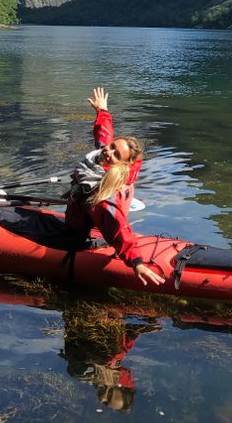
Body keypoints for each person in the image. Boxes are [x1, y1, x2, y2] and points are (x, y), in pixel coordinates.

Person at [64, 87, 164, 287]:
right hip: (102, 206)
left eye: (116, 155)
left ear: (121, 165)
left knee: (101, 213)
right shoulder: (104, 159)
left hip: (88, 224)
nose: (108, 152)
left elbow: (118, 230)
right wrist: (102, 111)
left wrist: (136, 262)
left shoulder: (101, 197)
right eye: (112, 148)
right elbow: (104, 135)